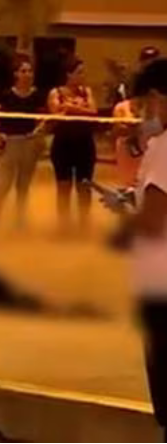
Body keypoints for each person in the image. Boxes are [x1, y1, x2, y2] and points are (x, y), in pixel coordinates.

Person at [112, 58, 167, 442]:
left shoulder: (163, 149)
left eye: (147, 105)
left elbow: (152, 220)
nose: (147, 114)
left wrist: (125, 218)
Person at [0, 54, 46, 228]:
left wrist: (38, 131)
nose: (27, 74)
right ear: (15, 74)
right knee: (4, 185)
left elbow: (43, 118)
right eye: (23, 71)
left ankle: (20, 221)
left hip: (28, 142)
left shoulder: (37, 95)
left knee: (23, 185)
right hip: (10, 142)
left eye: (29, 71)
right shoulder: (6, 95)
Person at [47, 58, 98, 233]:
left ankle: (84, 224)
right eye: (79, 72)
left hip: (84, 143)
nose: (83, 76)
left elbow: (93, 111)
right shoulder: (56, 93)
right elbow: (56, 113)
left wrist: (71, 108)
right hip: (63, 144)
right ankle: (64, 226)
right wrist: (74, 108)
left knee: (84, 186)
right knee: (64, 186)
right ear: (69, 74)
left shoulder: (86, 92)